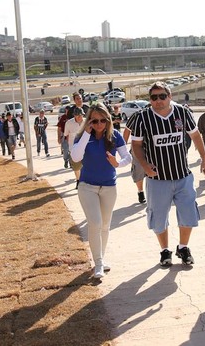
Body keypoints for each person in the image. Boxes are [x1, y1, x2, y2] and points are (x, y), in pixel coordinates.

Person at [127, 81, 205, 266]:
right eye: (154, 97)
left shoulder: (182, 113)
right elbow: (136, 145)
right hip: (157, 179)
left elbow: (195, 136)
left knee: (189, 214)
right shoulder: (142, 118)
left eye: (162, 96)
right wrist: (145, 165)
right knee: (158, 217)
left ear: (170, 96)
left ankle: (183, 247)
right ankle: (165, 251)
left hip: (182, 176)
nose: (158, 100)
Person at [70, 104, 132, 279]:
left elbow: (128, 157)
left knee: (105, 225)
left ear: (108, 120)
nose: (99, 124)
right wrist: (87, 134)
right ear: (89, 121)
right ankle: (98, 263)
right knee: (95, 223)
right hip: (87, 187)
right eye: (94, 121)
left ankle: (101, 259)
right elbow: (75, 157)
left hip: (109, 187)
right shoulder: (83, 136)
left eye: (102, 120)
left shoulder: (114, 136)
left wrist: (117, 164)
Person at [123, 122, 147, 204]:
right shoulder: (137, 115)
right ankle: (140, 191)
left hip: (154, 147)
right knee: (138, 169)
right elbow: (127, 129)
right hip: (137, 147)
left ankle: (153, 193)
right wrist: (123, 148)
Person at [65, 106, 85, 188]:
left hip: (86, 148)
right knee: (76, 167)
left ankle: (84, 181)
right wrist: (70, 147)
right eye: (78, 115)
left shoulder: (87, 122)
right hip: (74, 149)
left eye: (81, 115)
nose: (80, 117)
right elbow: (66, 135)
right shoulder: (69, 123)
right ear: (74, 115)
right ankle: (78, 180)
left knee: (86, 166)